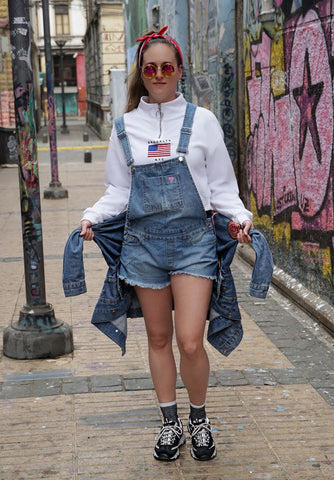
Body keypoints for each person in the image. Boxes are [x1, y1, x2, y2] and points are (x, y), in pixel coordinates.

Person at [79, 26, 253, 462]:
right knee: (158, 339)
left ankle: (199, 419)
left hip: (194, 242)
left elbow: (223, 187)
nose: (159, 74)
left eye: (167, 67)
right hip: (143, 246)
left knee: (190, 340)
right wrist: (91, 217)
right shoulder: (125, 127)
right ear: (142, 71)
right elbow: (117, 192)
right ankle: (169, 424)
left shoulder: (203, 121)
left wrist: (241, 219)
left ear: (179, 71)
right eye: (150, 67)